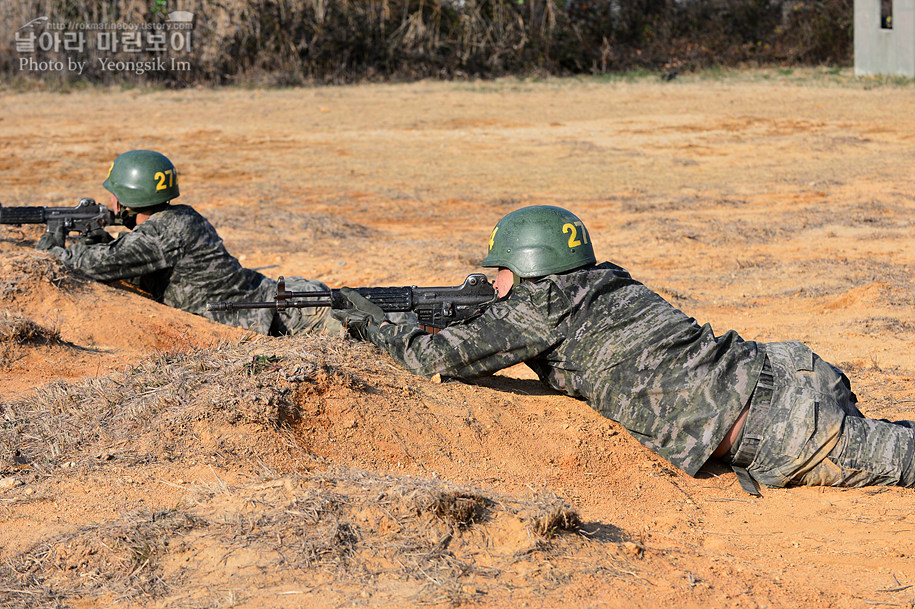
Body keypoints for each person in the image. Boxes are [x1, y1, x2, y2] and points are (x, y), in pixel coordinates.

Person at [332, 205, 915, 494]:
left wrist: (372, 325)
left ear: (527, 270)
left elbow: (429, 360)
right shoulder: (603, 277)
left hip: (784, 427)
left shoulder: (538, 309)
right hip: (788, 371)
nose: (492, 282)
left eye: (499, 272)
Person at [36, 149, 338, 336]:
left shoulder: (160, 236)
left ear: (128, 199)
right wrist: (98, 238)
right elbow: (127, 254)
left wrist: (53, 245)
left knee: (374, 321)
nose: (110, 201)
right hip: (284, 298)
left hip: (291, 316)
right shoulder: (179, 218)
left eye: (114, 194)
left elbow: (91, 265)